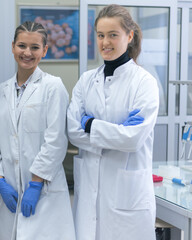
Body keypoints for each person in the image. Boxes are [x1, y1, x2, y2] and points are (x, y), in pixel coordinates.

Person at [67, 4, 159, 240]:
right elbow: (72, 130)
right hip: (90, 196)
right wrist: (114, 133)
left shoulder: (144, 82)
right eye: (100, 35)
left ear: (129, 36)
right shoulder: (87, 80)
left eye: (113, 35)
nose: (105, 42)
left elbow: (133, 138)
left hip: (128, 202)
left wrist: (90, 125)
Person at [0, 21, 76, 240]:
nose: (27, 53)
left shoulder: (53, 87)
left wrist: (35, 184)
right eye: (22, 46)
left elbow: (55, 140)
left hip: (44, 191)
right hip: (8, 190)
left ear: (44, 51)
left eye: (35, 47)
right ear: (12, 47)